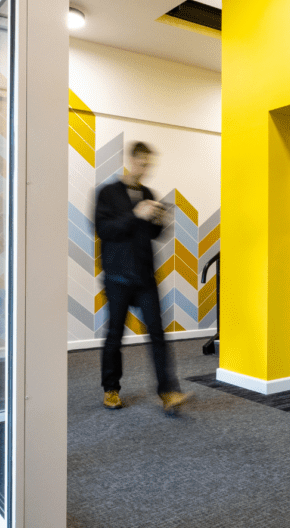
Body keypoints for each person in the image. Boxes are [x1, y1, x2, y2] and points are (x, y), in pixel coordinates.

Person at [95, 141, 191, 413]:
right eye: (142, 163)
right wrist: (135, 214)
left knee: (158, 335)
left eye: (150, 164)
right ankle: (111, 390)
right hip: (117, 278)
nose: (146, 169)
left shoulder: (149, 193)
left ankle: (169, 392)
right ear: (131, 161)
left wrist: (159, 219)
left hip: (145, 277)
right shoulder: (108, 193)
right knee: (115, 335)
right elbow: (105, 230)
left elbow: (152, 235)